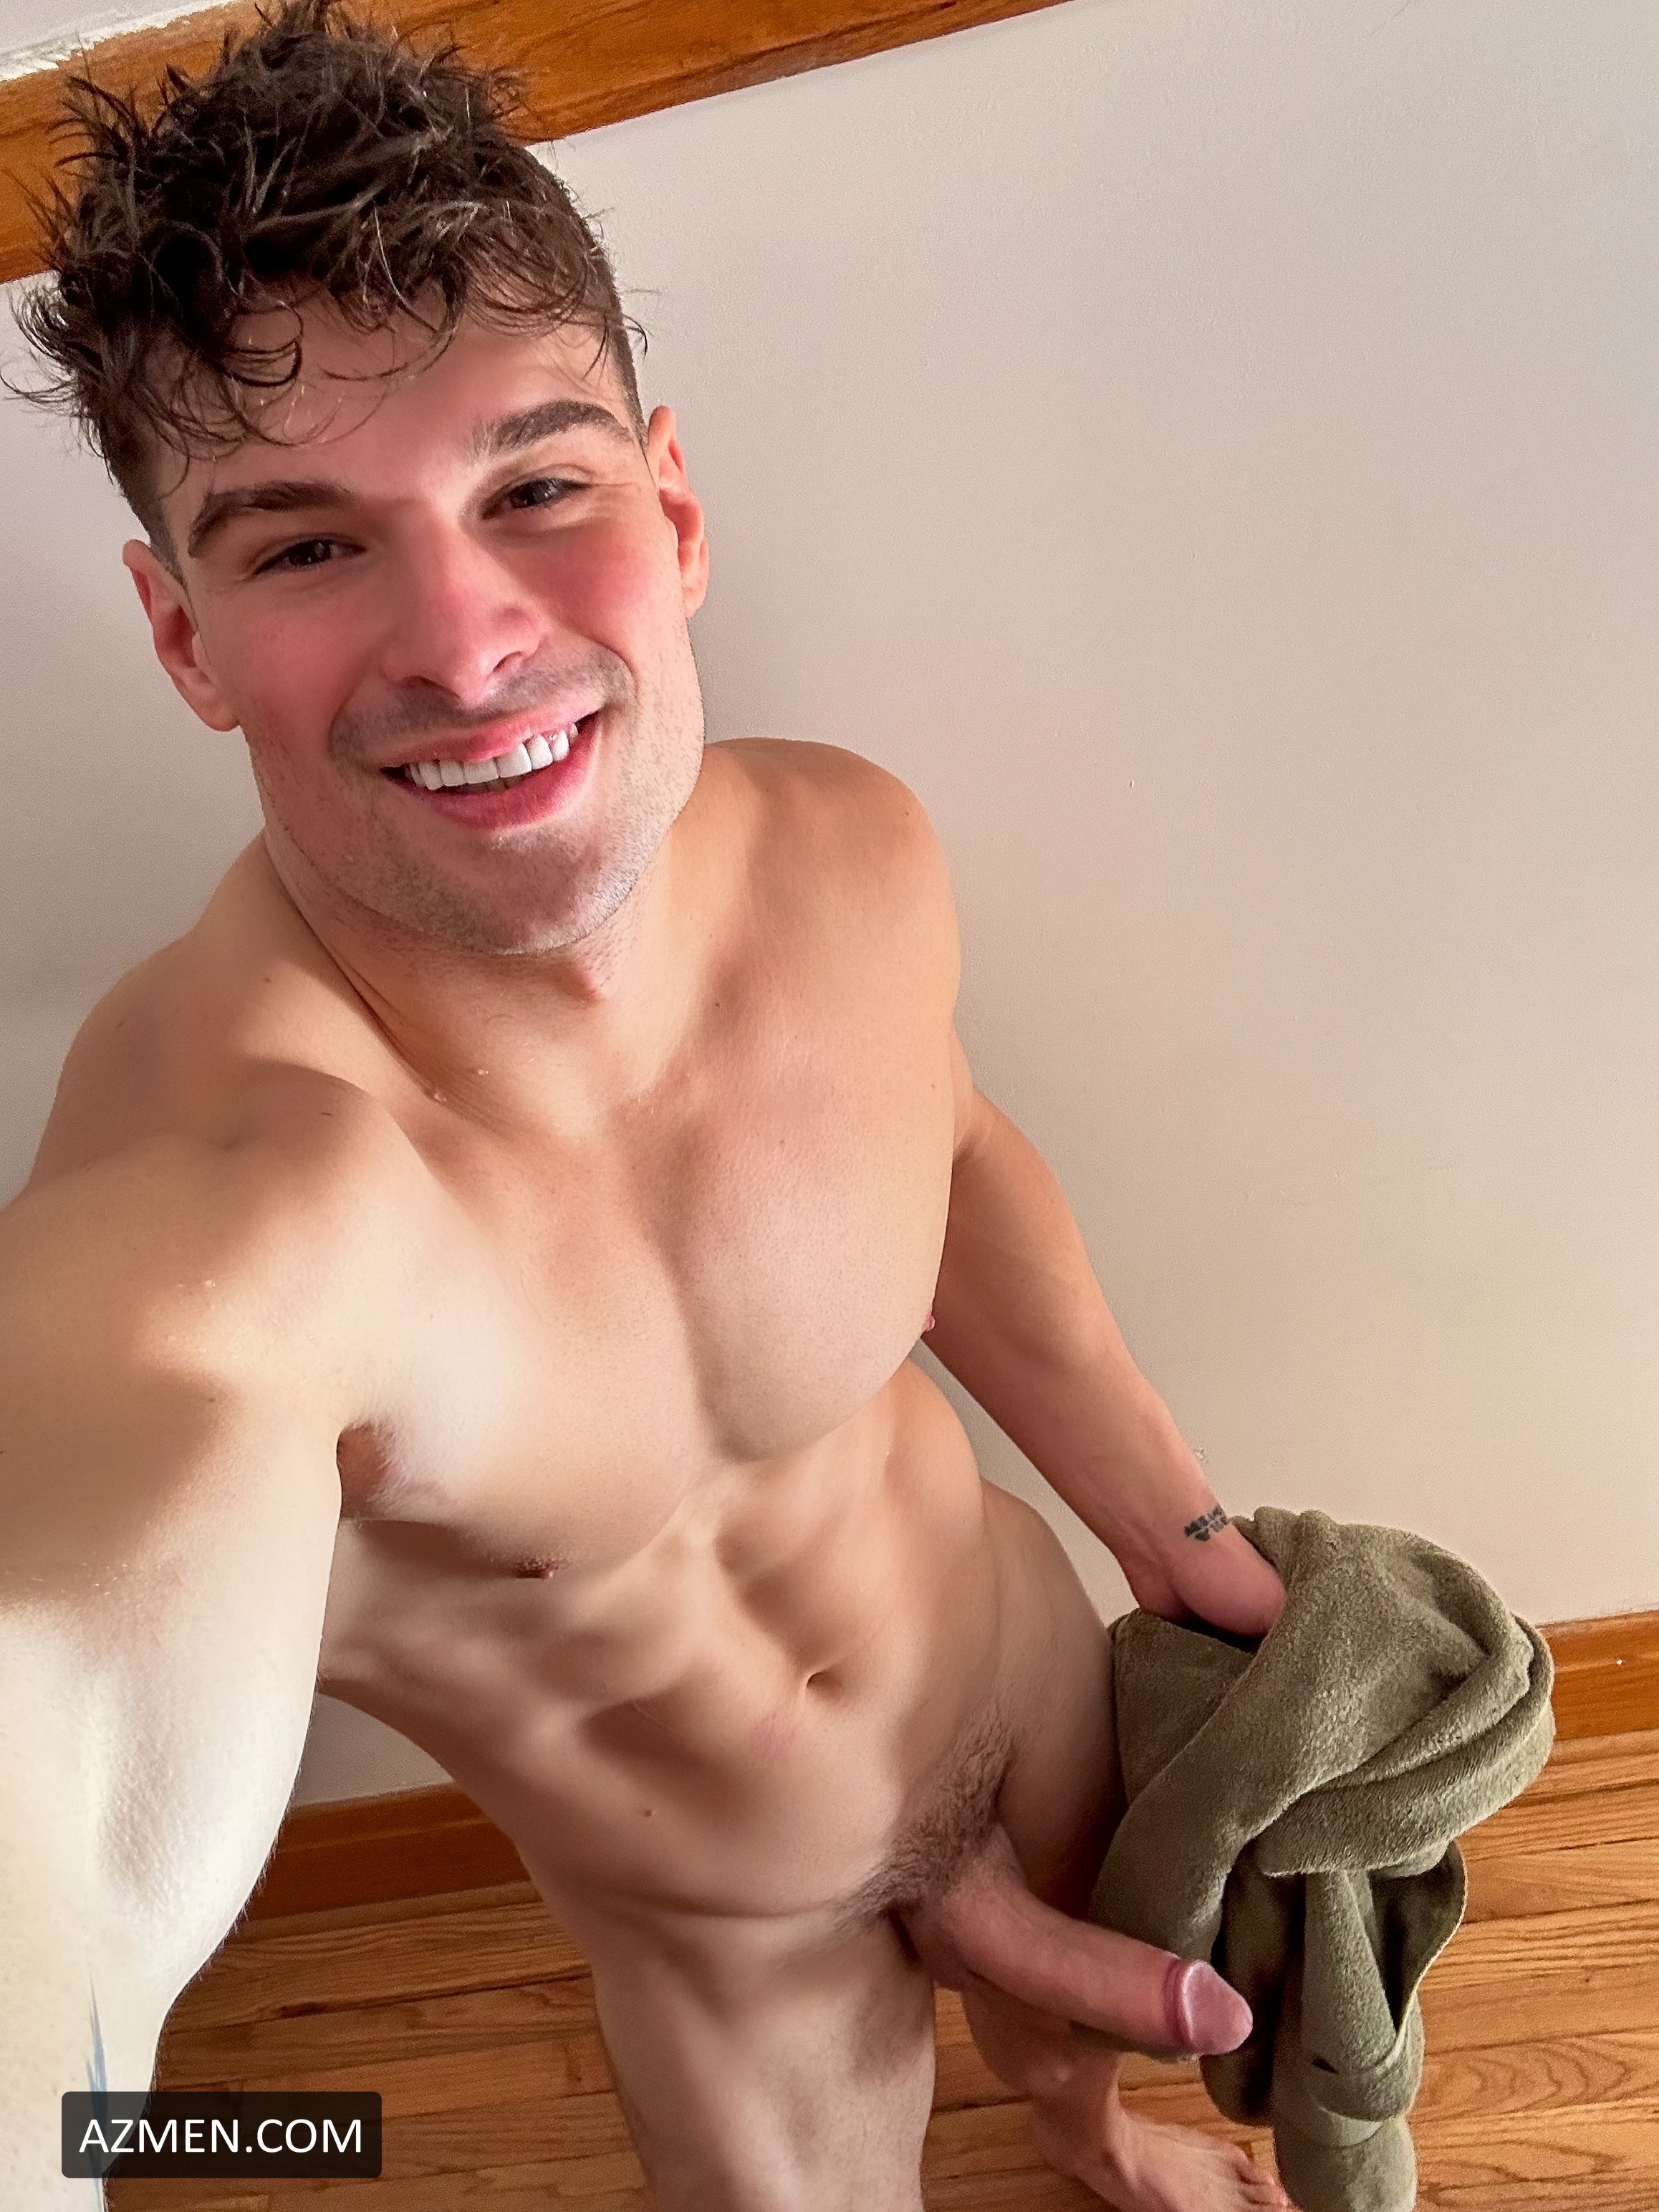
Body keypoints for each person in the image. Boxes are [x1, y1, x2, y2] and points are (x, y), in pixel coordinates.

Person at [1, 5, 1292, 2206]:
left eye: (534, 488)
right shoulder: (221, 1214)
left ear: (669, 506)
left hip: (1032, 1685)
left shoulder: (851, 856)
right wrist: (78, 2095)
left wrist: (1184, 1549)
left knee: (1085, 2058)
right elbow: (60, 1793)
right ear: (183, 636)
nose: (465, 641)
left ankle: (1095, 2146)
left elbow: (953, 1161)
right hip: (735, 1942)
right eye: (303, 546)